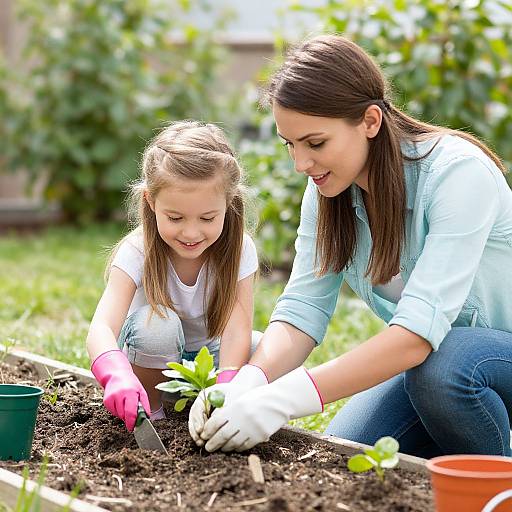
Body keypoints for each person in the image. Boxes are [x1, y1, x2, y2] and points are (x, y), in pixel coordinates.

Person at [189, 35, 512, 457]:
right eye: (291, 144)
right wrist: (250, 381)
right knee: (350, 448)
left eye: (316, 143)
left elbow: (417, 336)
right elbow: (303, 310)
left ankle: (493, 485)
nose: (301, 164)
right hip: (433, 367)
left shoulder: (459, 176)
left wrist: (283, 400)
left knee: (446, 367)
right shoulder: (327, 192)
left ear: (371, 122)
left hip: (472, 360)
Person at [86, 121, 263, 432]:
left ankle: (211, 413)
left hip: (208, 366)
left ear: (229, 203)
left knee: (269, 351)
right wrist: (114, 372)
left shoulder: (239, 249)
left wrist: (227, 385)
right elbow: (101, 326)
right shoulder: (136, 250)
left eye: (208, 218)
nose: (191, 232)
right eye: (175, 217)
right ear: (151, 202)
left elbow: (238, 330)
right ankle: (153, 414)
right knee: (157, 326)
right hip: (152, 365)